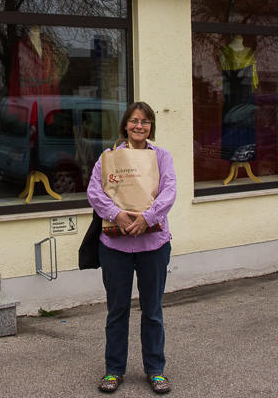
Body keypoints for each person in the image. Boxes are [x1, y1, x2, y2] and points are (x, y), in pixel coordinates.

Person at [86, 101, 177, 394]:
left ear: (151, 126)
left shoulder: (162, 157)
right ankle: (113, 370)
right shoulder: (109, 158)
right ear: (125, 124)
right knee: (117, 311)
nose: (140, 126)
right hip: (115, 245)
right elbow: (94, 191)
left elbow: (170, 191)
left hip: (153, 244)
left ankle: (155, 369)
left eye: (146, 121)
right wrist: (117, 215)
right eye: (135, 121)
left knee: (152, 310)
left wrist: (147, 218)